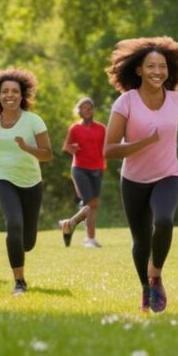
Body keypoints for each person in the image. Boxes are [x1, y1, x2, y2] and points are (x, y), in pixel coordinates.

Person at [104, 37, 178, 314]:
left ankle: (155, 275)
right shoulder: (126, 102)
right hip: (133, 180)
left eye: (163, 66)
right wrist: (145, 142)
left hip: (169, 175)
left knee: (165, 220)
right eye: (151, 66)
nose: (158, 71)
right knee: (141, 241)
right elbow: (109, 149)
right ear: (138, 70)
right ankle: (146, 289)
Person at [0, 68, 53, 296]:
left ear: (22, 95)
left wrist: (27, 148)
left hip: (32, 182)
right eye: (5, 91)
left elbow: (48, 154)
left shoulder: (33, 121)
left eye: (15, 91)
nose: (10, 95)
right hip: (3, 178)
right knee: (14, 223)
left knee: (27, 242)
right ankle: (19, 282)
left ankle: (22, 250)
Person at [59, 96, 106, 248]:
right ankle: (89, 239)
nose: (87, 110)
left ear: (93, 111)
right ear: (79, 111)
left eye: (90, 108)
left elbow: (107, 147)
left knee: (92, 204)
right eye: (84, 108)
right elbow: (66, 146)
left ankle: (69, 223)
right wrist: (71, 148)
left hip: (98, 168)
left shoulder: (101, 128)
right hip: (79, 168)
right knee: (92, 203)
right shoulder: (75, 128)